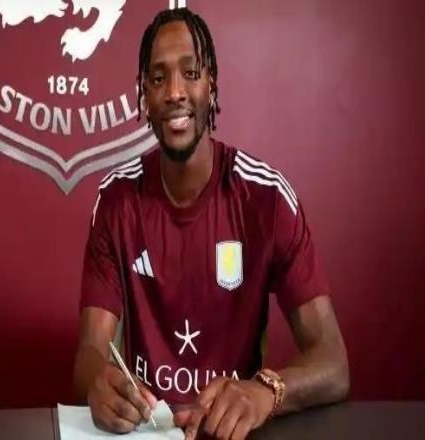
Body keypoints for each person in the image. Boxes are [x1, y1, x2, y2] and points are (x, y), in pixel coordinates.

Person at [74, 7, 349, 440]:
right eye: (158, 78)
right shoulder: (116, 200)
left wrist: (266, 391)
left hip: (234, 433)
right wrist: (98, 383)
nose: (174, 92)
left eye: (191, 73)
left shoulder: (266, 198)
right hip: (148, 433)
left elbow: (333, 363)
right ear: (144, 94)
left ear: (212, 85)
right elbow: (91, 349)